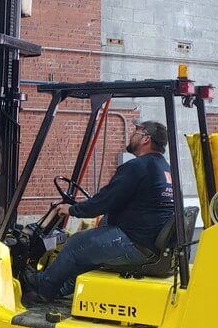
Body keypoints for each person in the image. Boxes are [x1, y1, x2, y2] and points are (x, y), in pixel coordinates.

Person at [22, 120, 175, 302]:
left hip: (135, 243)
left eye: (136, 132)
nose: (131, 135)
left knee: (76, 244)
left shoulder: (137, 167)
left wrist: (71, 209)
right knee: (93, 240)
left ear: (146, 139)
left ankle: (42, 288)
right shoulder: (165, 168)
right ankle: (61, 289)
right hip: (150, 242)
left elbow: (103, 202)